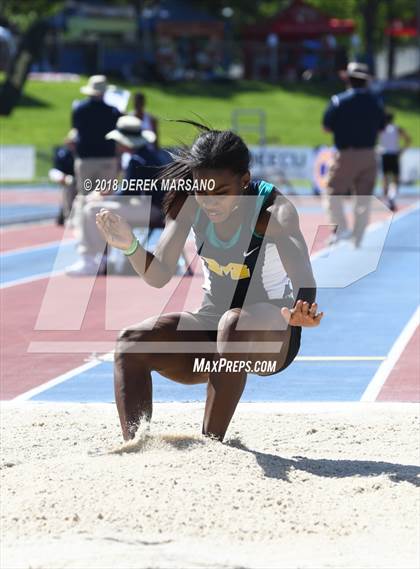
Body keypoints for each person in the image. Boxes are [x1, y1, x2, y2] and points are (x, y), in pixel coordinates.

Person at [96, 124, 323, 443]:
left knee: (232, 324)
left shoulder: (272, 212)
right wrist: (130, 245)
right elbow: (158, 274)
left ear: (244, 181)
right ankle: (135, 446)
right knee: (131, 342)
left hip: (270, 334)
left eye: (221, 193)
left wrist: (304, 308)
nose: (210, 202)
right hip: (212, 331)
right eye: (203, 190)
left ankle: (211, 446)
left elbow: (303, 273)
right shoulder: (188, 204)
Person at [65, 115, 163, 276]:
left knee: (92, 209)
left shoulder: (137, 160)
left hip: (152, 210)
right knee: (94, 207)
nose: (116, 144)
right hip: (152, 207)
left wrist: (104, 197)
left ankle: (91, 259)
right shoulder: (145, 155)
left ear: (124, 141)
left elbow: (129, 192)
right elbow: (132, 190)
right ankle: (100, 258)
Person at [322, 62, 386, 247]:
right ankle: (358, 237)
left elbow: (326, 127)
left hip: (346, 154)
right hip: (368, 154)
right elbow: (382, 128)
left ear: (348, 80)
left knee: (332, 192)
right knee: (363, 197)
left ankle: (341, 229)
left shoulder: (338, 100)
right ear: (366, 82)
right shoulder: (376, 102)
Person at [72, 75, 121, 197]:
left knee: (85, 197)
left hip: (85, 159)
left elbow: (75, 129)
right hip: (107, 159)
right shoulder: (113, 111)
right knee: (105, 198)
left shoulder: (79, 109)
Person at [378, 112, 411, 212]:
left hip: (385, 155)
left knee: (385, 178)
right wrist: (402, 150)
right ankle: (391, 198)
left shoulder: (380, 129)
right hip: (393, 155)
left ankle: (387, 200)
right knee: (395, 178)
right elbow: (408, 139)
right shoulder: (396, 128)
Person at [49, 128, 77, 226]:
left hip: (85, 181)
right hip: (70, 181)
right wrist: (63, 177)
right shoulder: (63, 154)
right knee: (69, 186)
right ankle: (68, 215)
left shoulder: (84, 153)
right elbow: (55, 171)